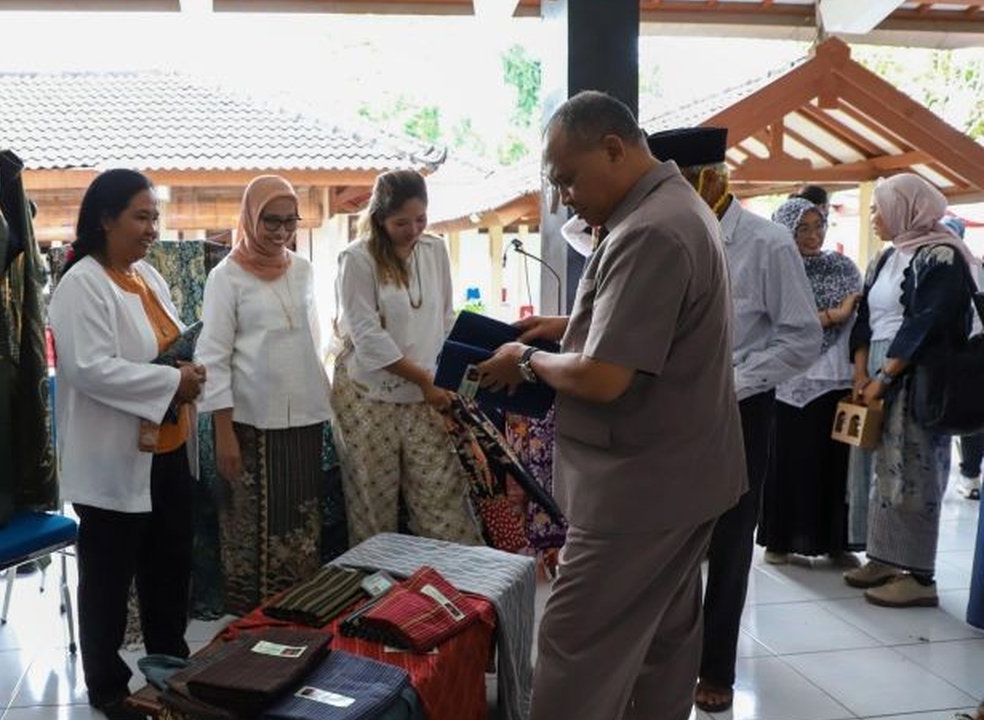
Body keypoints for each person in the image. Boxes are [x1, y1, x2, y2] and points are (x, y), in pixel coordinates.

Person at [476, 91, 746, 720]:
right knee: (662, 638)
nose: (564, 196)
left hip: (641, 489)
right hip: (685, 478)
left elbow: (602, 378)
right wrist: (568, 324)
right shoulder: (676, 208)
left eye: (566, 179)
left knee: (576, 641)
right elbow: (656, 328)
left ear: (615, 149)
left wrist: (524, 359)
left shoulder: (650, 229)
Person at [644, 127, 822, 714]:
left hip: (741, 411)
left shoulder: (767, 244)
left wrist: (733, 383)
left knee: (728, 540)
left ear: (713, 178)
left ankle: (715, 665)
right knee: (671, 534)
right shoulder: (666, 235)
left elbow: (802, 337)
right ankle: (669, 656)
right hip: (674, 409)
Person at [49, 169, 206, 720]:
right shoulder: (81, 284)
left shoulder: (147, 278)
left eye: (154, 217)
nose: (151, 229)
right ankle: (108, 688)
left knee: (169, 570)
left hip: (166, 450)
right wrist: (170, 382)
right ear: (105, 218)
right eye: (140, 216)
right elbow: (90, 369)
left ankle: (169, 668)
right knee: (108, 581)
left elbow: (165, 342)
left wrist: (189, 367)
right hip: (113, 460)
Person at [195, 175, 332, 614]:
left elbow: (313, 340)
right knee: (250, 527)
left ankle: (295, 620)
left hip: (304, 419)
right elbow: (212, 357)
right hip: (248, 423)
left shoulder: (304, 269)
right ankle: (251, 626)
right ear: (251, 217)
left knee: (300, 522)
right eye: (270, 221)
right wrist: (223, 433)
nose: (280, 232)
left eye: (290, 222)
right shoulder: (227, 277)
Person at [843, 173, 981, 609]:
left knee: (914, 471)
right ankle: (884, 557)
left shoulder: (942, 255)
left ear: (907, 208)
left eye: (879, 207)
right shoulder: (885, 258)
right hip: (882, 370)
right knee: (878, 470)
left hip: (918, 372)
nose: (874, 216)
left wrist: (886, 375)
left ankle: (920, 576)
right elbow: (865, 317)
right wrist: (862, 371)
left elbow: (929, 320)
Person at [330, 168, 480, 547]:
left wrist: (444, 378)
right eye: (401, 222)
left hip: (425, 393)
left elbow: (446, 319)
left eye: (421, 219)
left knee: (441, 499)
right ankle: (380, 597)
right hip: (368, 397)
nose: (413, 230)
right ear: (380, 218)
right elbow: (368, 337)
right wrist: (425, 380)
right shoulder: (357, 259)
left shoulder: (435, 249)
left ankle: (455, 593)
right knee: (373, 506)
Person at [758, 197, 864, 567]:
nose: (812, 235)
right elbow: (773, 320)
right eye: (802, 228)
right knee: (788, 460)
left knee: (833, 465)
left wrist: (860, 374)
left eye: (818, 226)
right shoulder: (775, 266)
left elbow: (858, 322)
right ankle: (780, 540)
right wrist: (832, 314)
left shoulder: (844, 267)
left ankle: (835, 543)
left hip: (834, 378)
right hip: (788, 377)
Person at [943, 216, 984, 501]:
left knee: (965, 416)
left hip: (963, 352)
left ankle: (969, 475)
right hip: (968, 352)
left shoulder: (968, 265)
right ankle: (969, 475)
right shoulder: (974, 264)